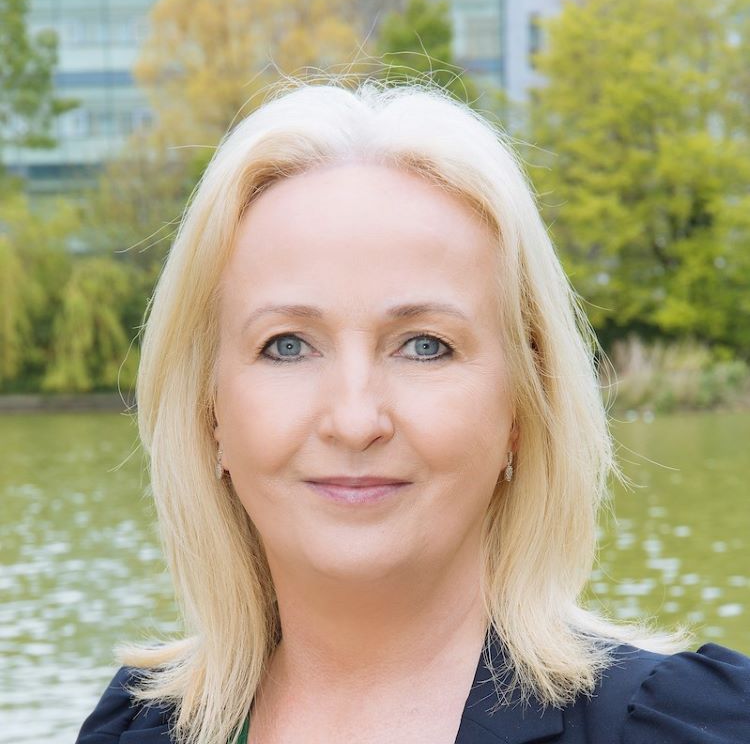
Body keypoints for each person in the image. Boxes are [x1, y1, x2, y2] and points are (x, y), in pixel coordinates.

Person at [75, 77, 750, 744]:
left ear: (524, 401)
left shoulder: (688, 727)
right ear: (209, 411)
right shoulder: (134, 730)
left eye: (425, 346)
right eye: (286, 346)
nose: (356, 419)